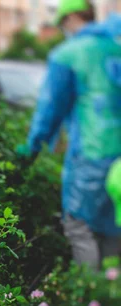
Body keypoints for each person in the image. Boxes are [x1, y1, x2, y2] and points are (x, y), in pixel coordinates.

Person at [17, 0, 121, 270]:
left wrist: (33, 147)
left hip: (91, 153)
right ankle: (111, 298)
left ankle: (89, 296)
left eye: (63, 23)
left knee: (79, 226)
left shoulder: (67, 54)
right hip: (118, 159)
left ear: (71, 18)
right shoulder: (115, 48)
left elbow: (50, 109)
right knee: (112, 227)